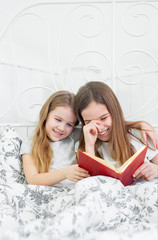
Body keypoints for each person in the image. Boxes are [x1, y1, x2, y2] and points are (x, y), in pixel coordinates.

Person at [75, 81, 158, 181]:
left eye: (103, 118)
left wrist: (155, 170)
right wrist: (90, 146)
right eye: (89, 122)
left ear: (115, 112)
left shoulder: (139, 134)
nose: (99, 128)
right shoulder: (83, 147)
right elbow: (91, 184)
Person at [21, 90, 90, 186]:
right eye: (58, 120)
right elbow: (32, 180)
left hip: (73, 192)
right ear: (46, 115)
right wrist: (64, 173)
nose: (61, 128)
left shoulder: (76, 136)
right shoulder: (30, 143)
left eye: (69, 124)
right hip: (46, 193)